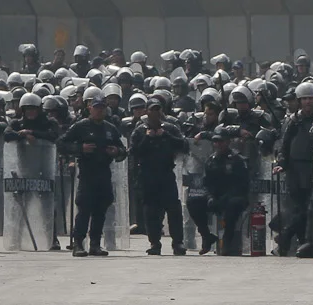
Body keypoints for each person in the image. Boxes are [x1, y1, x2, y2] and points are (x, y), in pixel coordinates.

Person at [59, 88, 126, 256]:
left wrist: (116, 151)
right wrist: (80, 148)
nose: (99, 111)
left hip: (104, 173)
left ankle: (95, 244)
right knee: (84, 209)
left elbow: (123, 150)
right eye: (96, 107)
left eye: (102, 107)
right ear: (90, 108)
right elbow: (62, 143)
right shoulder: (81, 126)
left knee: (100, 209)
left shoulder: (110, 128)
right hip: (87, 173)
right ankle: (78, 244)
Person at [132, 98, 190, 254]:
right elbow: (134, 152)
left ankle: (177, 243)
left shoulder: (170, 128)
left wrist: (165, 135)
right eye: (152, 110)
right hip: (147, 175)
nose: (156, 113)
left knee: (173, 209)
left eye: (158, 109)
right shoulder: (140, 130)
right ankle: (154, 243)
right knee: (151, 210)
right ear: (147, 111)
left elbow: (184, 145)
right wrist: (147, 137)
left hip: (166, 173)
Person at [274, 82, 313, 257]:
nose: (308, 102)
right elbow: (284, 145)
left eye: (311, 98)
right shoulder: (294, 120)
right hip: (295, 169)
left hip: (312, 167)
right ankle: (300, 242)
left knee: (308, 207)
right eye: (304, 99)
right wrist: (282, 162)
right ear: (299, 101)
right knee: (298, 207)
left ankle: (287, 236)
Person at [204, 125, 250, 254]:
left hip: (234, 197)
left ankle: (227, 241)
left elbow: (242, 185)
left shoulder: (237, 160)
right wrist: (210, 197)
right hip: (216, 197)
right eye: (215, 141)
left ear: (228, 142)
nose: (218, 144)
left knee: (233, 205)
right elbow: (206, 183)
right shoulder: (211, 161)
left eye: (221, 141)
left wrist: (225, 198)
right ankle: (207, 236)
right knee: (193, 203)